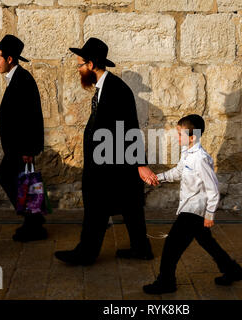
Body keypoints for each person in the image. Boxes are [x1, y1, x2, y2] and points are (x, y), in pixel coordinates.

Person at [55, 38, 159, 265]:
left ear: (91, 65)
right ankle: (141, 249)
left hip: (110, 162)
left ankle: (86, 254)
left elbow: (129, 129)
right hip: (110, 160)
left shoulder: (116, 90)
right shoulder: (105, 87)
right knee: (129, 206)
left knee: (97, 207)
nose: (79, 69)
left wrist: (140, 164)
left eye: (80, 65)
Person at [143, 114, 242, 294]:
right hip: (188, 207)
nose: (177, 137)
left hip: (194, 210)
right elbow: (179, 171)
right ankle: (232, 270)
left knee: (171, 247)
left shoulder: (200, 158)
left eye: (180, 134)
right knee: (207, 242)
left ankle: (166, 282)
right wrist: (158, 178)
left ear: (193, 137)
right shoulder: (187, 152)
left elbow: (213, 189)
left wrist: (209, 214)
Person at [0, 34, 46, 242]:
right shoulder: (16, 78)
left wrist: (29, 150)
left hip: (21, 148)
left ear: (10, 59)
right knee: (25, 182)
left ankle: (33, 223)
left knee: (11, 178)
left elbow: (31, 116)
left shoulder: (23, 80)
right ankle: (35, 221)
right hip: (17, 147)